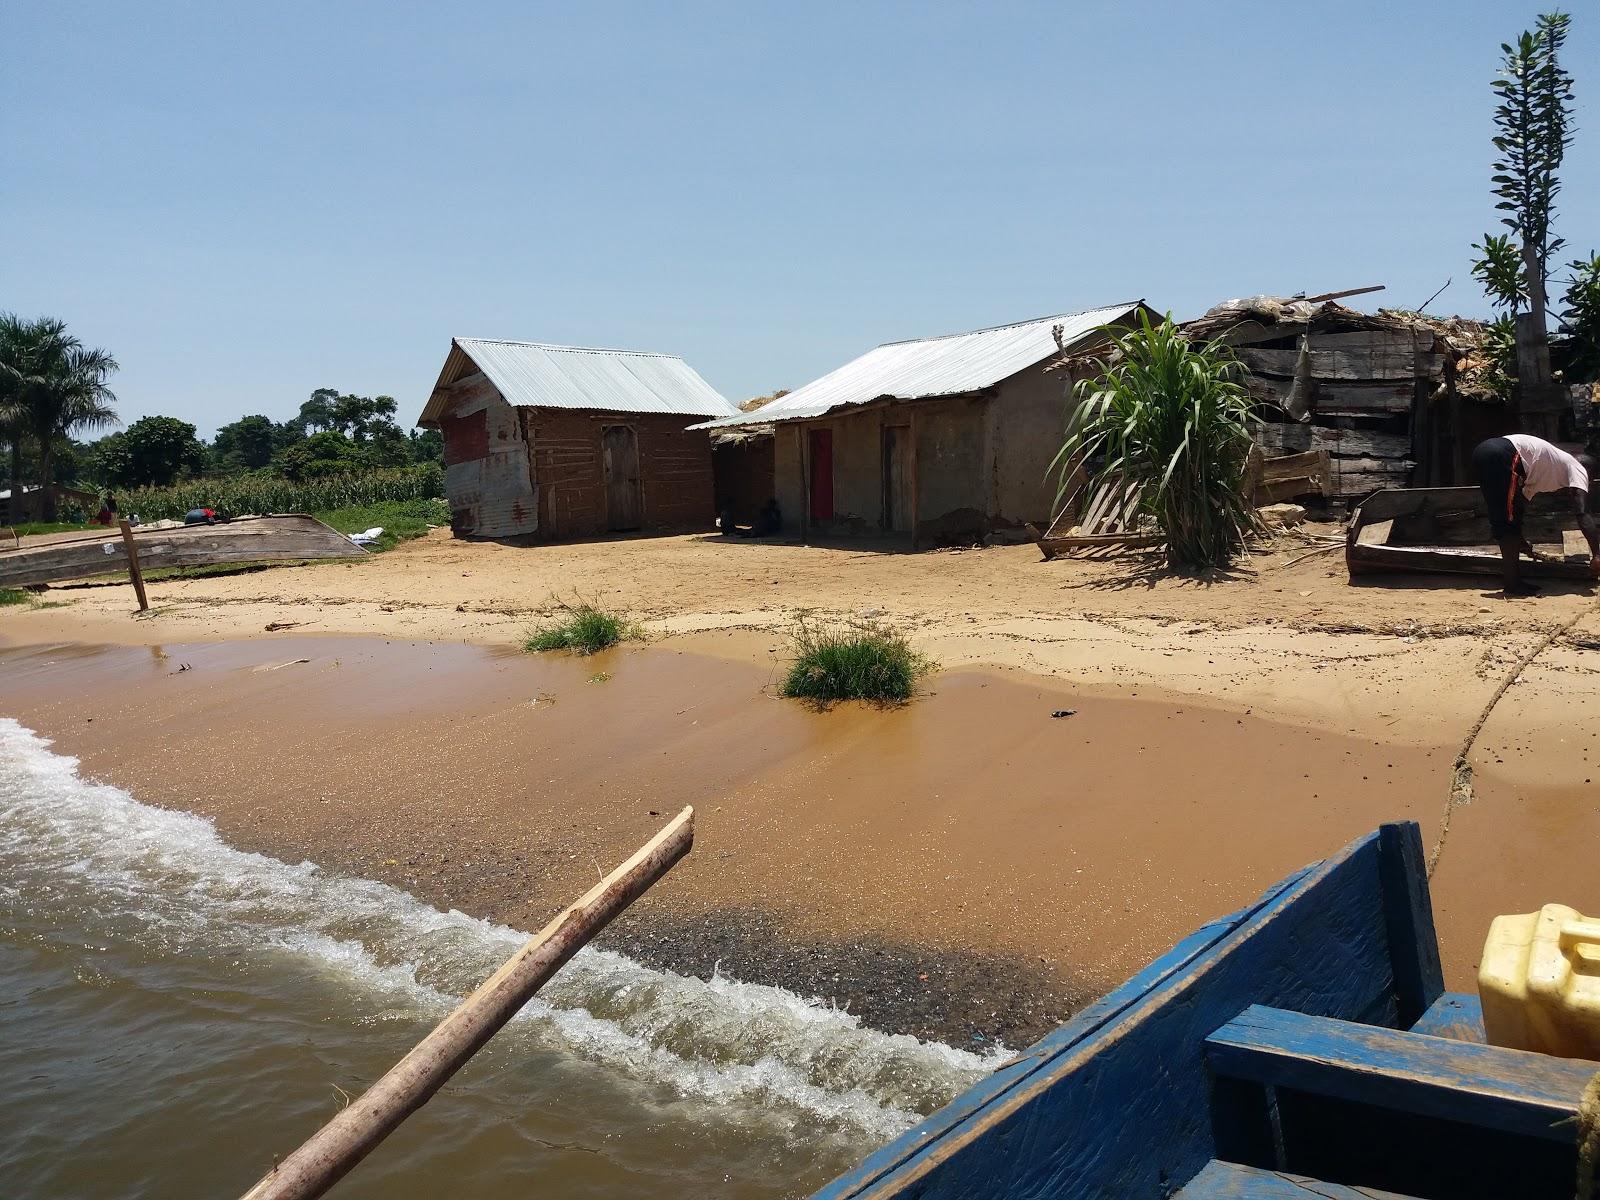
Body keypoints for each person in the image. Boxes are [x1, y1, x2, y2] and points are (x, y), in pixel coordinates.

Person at [1471, 433, 1600, 596]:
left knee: (1505, 516)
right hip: (1505, 454)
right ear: (1590, 474)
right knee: (1506, 522)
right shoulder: (1578, 467)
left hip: (1484, 451)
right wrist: (1597, 554)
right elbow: (1582, 512)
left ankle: (1514, 582)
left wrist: (1521, 541)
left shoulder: (1548, 468)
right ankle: (1512, 584)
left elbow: (1517, 506)